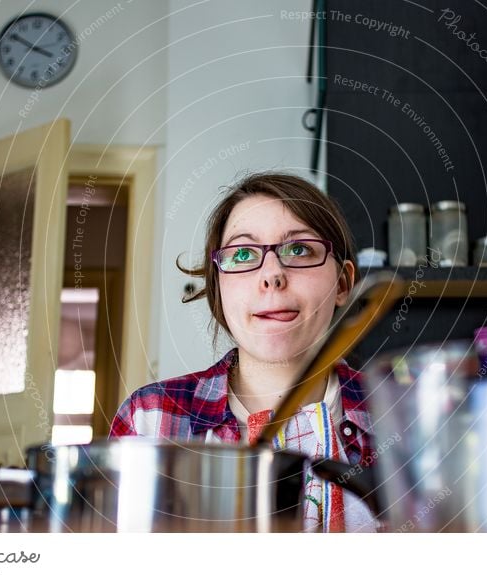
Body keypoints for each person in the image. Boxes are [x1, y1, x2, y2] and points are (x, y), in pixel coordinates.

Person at [109, 172, 376, 532]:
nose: (272, 276)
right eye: (244, 254)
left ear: (343, 283)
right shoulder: (150, 420)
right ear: (219, 288)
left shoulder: (407, 416)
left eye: (299, 250)